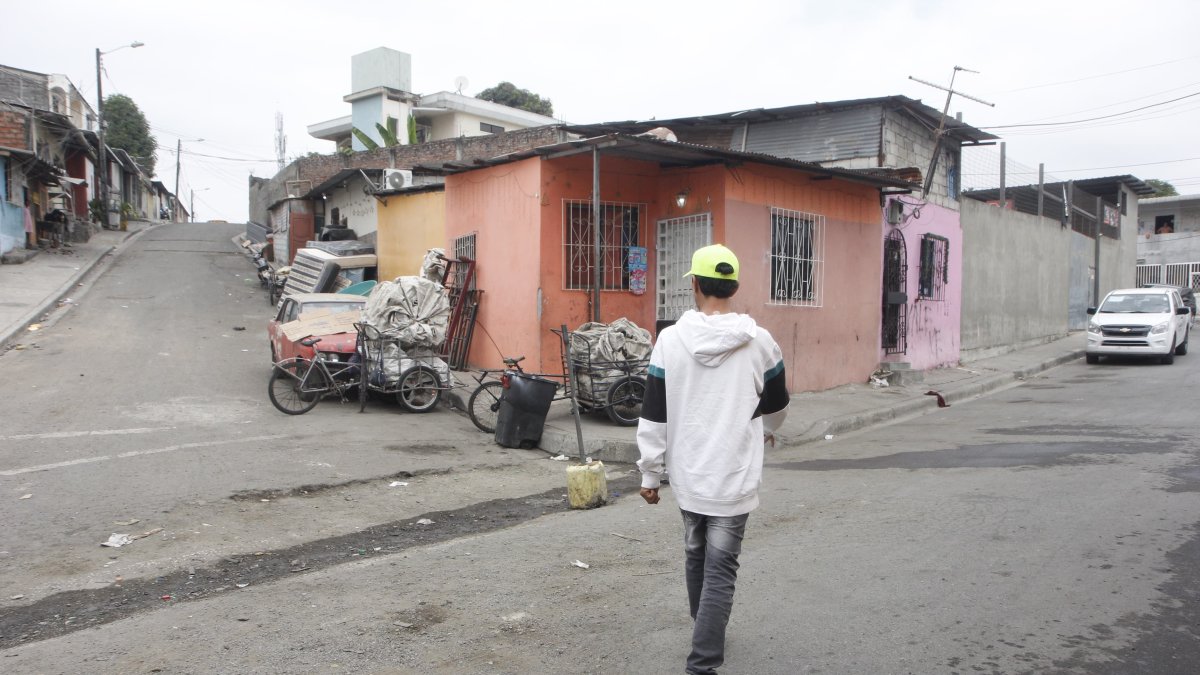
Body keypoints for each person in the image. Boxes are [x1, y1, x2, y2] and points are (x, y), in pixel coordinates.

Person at [637, 243, 790, 675]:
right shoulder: (760, 341)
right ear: (734, 287)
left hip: (689, 475)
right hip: (735, 475)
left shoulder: (669, 340)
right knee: (721, 566)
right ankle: (703, 658)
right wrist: (764, 430)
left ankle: (703, 628)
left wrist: (650, 473)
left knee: (695, 553)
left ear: (696, 285)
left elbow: (654, 413)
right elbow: (777, 406)